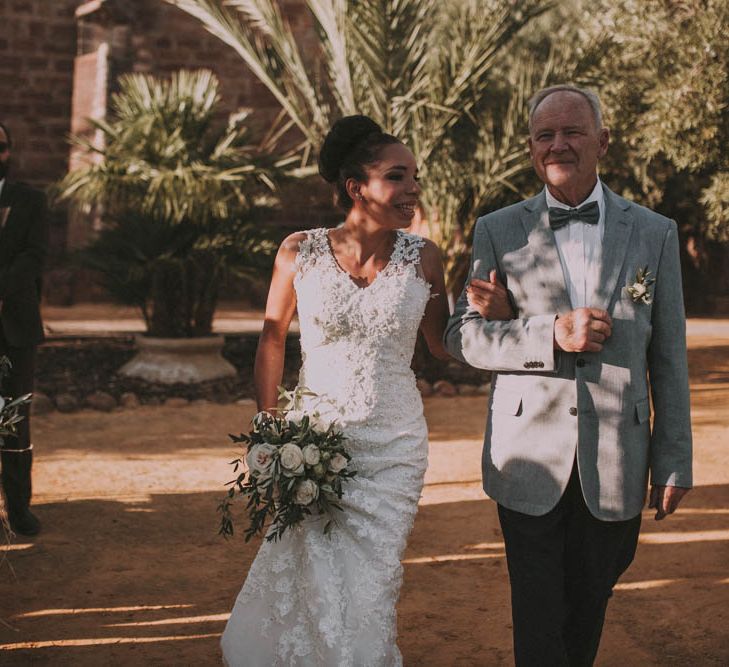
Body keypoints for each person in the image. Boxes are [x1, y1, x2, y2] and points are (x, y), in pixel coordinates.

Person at [444, 85, 692, 666]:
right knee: (537, 614)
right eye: (545, 135)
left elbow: (670, 356)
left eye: (572, 132)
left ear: (602, 141)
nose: (558, 144)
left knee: (589, 602)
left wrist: (674, 458)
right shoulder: (498, 230)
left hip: (618, 457)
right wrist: (547, 333)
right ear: (531, 149)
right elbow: (463, 336)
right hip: (526, 455)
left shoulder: (654, 232)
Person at [221, 115, 450, 665]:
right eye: (398, 177)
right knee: (311, 571)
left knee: (372, 578)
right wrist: (269, 426)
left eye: (414, 176)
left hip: (395, 446)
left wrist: (495, 313)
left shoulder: (425, 257)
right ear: (357, 188)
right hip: (316, 443)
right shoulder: (299, 251)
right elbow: (273, 337)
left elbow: (443, 346)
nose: (412, 189)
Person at [0, 121, 48, 537]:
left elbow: (34, 257)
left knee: (14, 414)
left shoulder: (30, 200)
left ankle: (18, 510)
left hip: (14, 324)